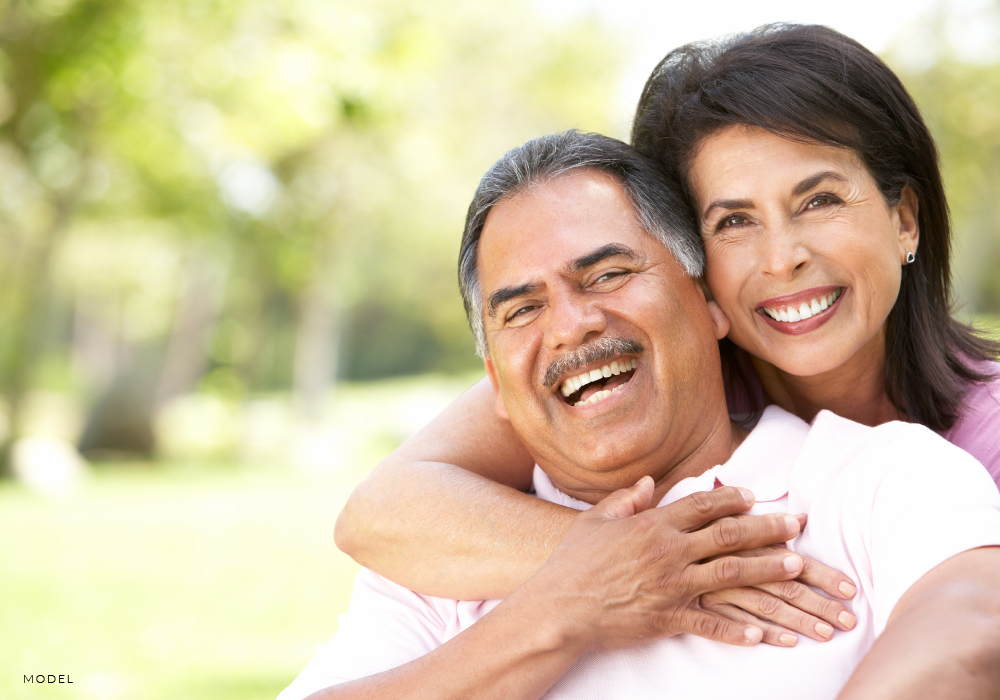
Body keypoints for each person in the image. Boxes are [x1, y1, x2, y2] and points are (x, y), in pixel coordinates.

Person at [333, 25, 1000, 643]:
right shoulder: (656, 370)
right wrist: (653, 564)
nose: (782, 257)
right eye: (734, 221)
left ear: (905, 221)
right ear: (692, 264)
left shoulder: (972, 446)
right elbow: (384, 512)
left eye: (818, 201)